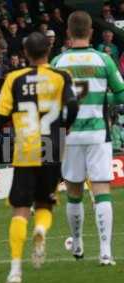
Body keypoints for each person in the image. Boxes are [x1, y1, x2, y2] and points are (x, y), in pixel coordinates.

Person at [0, 32, 78, 283]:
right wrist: (62, 125)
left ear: (25, 52)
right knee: (45, 204)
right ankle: (41, 230)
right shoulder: (61, 77)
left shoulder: (14, 79)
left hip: (25, 151)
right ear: (49, 50)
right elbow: (73, 107)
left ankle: (15, 270)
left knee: (20, 210)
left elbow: (0, 116)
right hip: (52, 149)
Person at [51, 11, 124, 266]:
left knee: (73, 192)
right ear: (91, 31)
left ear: (69, 33)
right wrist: (105, 100)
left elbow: (50, 100)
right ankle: (105, 252)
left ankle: (78, 243)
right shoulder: (103, 59)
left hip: (70, 135)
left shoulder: (58, 62)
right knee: (102, 191)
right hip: (97, 134)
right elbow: (121, 93)